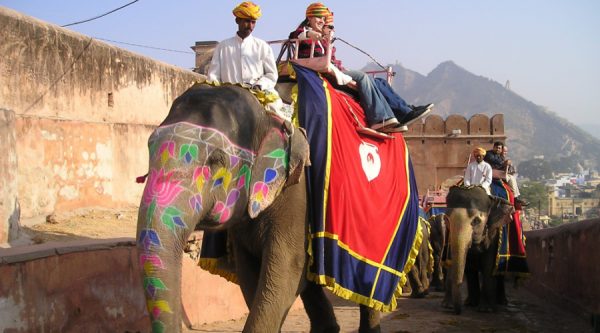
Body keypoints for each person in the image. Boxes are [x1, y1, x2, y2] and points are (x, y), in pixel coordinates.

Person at [288, 3, 433, 134]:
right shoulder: (305, 32)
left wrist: (325, 37)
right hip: (322, 69)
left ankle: (405, 111)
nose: (323, 22)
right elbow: (296, 35)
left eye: (325, 20)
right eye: (319, 18)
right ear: (310, 18)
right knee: (363, 77)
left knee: (380, 83)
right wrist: (312, 34)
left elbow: (333, 60)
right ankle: (379, 119)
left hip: (334, 68)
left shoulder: (324, 41)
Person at [207, 2, 288, 119]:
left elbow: (271, 74)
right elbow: (213, 76)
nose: (250, 26)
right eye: (246, 21)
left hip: (259, 95)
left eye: (253, 22)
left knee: (278, 117)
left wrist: (259, 86)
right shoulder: (223, 46)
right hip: (228, 97)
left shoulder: (262, 46)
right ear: (237, 21)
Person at [484, 141, 528, 206]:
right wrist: (505, 162)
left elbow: (502, 164)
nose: (497, 149)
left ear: (501, 149)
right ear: (493, 147)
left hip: (499, 173)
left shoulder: (500, 156)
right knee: (510, 178)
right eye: (496, 147)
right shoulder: (489, 154)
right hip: (490, 173)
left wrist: (508, 165)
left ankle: (515, 197)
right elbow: (493, 160)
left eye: (499, 148)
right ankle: (515, 198)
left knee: (512, 178)